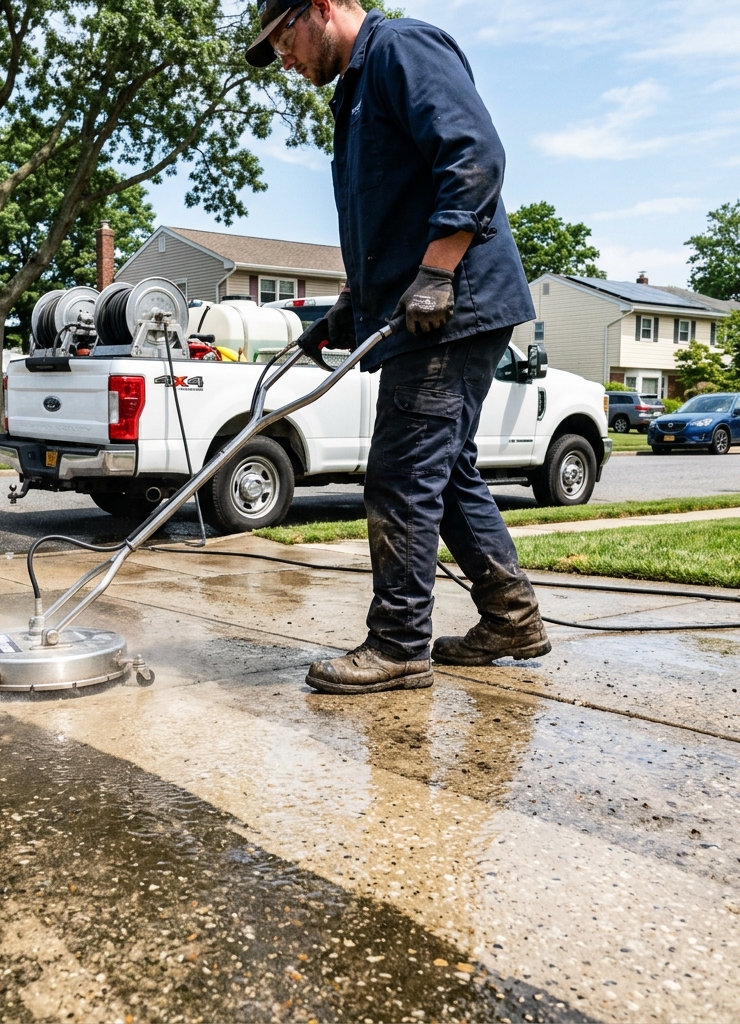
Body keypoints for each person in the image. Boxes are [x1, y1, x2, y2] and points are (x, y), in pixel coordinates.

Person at [246, 0, 551, 695]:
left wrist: (439, 272)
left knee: (401, 475)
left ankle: (399, 644)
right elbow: (386, 212)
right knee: (444, 474)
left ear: (319, 7)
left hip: (453, 307)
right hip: (424, 309)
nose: (284, 60)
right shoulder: (355, 90)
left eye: (282, 39)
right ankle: (511, 617)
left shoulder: (401, 49)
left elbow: (474, 153)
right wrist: (352, 304)